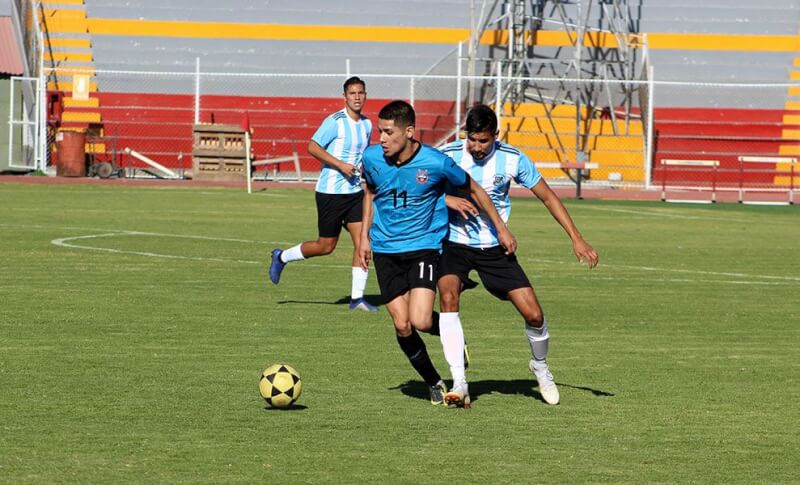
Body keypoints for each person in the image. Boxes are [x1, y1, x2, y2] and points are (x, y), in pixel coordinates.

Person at [436, 104, 599, 408]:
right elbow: (422, 187)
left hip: (496, 247)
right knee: (447, 297)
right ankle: (459, 382)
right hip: (454, 242)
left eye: (483, 140)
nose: (476, 146)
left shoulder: (512, 159)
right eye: (472, 139)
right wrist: (449, 199)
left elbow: (548, 196)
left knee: (534, 314)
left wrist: (576, 238)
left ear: (495, 136)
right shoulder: (447, 154)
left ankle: (540, 366)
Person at [358, 100, 517, 405]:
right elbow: (369, 192)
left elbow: (473, 189)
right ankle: (433, 380)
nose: (382, 138)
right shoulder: (371, 157)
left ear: (409, 132)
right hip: (384, 249)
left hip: (423, 248)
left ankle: (452, 337)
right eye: (380, 131)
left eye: (389, 132)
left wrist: (500, 227)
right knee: (402, 325)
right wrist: (364, 237)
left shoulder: (435, 162)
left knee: (419, 320)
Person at [269, 76, 379, 311]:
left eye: (361, 93)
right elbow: (312, 146)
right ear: (345, 97)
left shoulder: (368, 124)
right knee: (325, 246)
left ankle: (357, 298)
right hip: (330, 193)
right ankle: (281, 257)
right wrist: (340, 165)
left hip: (354, 194)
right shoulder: (335, 122)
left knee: (364, 242)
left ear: (366, 95)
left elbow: (364, 155)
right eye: (352, 93)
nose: (357, 97)